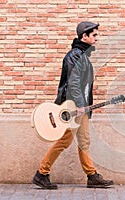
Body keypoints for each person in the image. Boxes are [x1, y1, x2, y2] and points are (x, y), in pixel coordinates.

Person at [32, 21, 114, 189]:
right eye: (94, 35)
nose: (97, 38)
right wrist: (78, 106)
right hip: (73, 107)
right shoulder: (75, 55)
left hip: (80, 107)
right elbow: (73, 83)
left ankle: (92, 176)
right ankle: (42, 173)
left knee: (84, 141)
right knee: (64, 141)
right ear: (84, 36)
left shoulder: (83, 55)